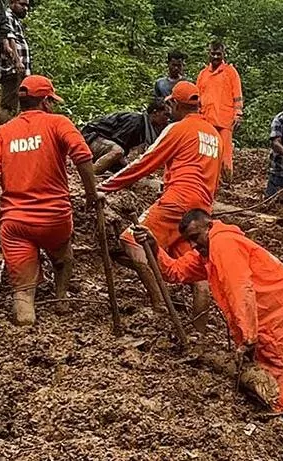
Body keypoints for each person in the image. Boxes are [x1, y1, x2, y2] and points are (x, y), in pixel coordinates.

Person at [133, 209, 283, 461]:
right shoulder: (206, 252)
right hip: (271, 321)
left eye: (196, 237)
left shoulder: (224, 243)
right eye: (190, 240)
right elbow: (175, 272)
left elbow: (240, 291)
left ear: (209, 226)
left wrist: (248, 339)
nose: (194, 245)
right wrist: (154, 247)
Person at [0, 75, 99, 326]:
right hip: (55, 218)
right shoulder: (59, 123)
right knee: (63, 255)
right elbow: (82, 155)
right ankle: (60, 299)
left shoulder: (3, 133)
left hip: (15, 222)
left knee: (22, 291)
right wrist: (91, 194)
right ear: (46, 101)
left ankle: (26, 321)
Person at [98, 81, 221, 329]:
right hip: (201, 209)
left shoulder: (178, 129)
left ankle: (158, 304)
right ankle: (198, 334)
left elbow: (146, 162)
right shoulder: (215, 136)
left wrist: (104, 186)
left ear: (175, 104)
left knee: (131, 240)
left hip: (176, 201)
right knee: (198, 271)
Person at [81, 100, 171, 175]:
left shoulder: (146, 126)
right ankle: (91, 173)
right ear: (155, 113)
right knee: (118, 152)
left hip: (104, 142)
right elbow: (118, 143)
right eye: (165, 115)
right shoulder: (135, 121)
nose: (167, 119)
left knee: (127, 170)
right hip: (91, 137)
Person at [197, 41, 243, 179]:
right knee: (207, 153)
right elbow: (197, 97)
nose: (216, 57)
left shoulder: (230, 72)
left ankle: (226, 182)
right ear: (209, 54)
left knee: (225, 155)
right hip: (207, 119)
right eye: (213, 54)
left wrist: (238, 114)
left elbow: (237, 95)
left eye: (219, 54)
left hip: (225, 120)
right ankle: (207, 179)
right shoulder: (203, 74)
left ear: (223, 54)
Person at [0, 0, 32, 125]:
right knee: (8, 103)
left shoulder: (16, 19)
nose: (25, 8)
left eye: (27, 5)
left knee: (17, 102)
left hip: (20, 68)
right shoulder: (7, 17)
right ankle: (3, 130)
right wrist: (17, 61)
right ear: (12, 3)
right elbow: (9, 38)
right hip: (13, 68)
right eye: (22, 4)